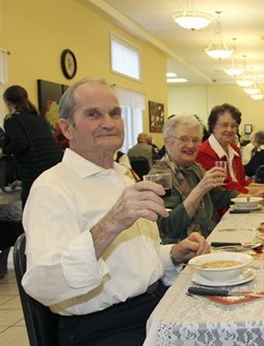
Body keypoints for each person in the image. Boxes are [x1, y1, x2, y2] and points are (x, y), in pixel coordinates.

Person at [21, 78, 209, 345]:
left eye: (115, 113)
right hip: (105, 328)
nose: (109, 122)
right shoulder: (52, 188)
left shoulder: (122, 176)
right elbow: (43, 283)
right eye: (93, 114)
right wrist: (112, 222)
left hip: (153, 306)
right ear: (67, 128)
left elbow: (132, 259)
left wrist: (174, 253)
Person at [150, 115, 239, 243]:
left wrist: (254, 198)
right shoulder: (160, 177)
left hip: (212, 239)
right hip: (186, 253)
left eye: (196, 140)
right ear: (168, 142)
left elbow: (218, 196)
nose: (191, 145)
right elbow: (168, 227)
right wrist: (200, 189)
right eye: (183, 139)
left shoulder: (195, 168)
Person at [2, 85, 63, 205]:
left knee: (31, 212)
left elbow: (20, 144)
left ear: (8, 102)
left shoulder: (12, 119)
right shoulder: (38, 117)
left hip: (34, 172)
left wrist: (5, 150)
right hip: (54, 168)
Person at [196, 103, 258, 195]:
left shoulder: (235, 150)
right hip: (222, 207)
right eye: (224, 125)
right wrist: (261, 192)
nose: (229, 130)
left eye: (233, 126)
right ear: (213, 127)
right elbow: (225, 188)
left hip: (239, 202)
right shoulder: (204, 152)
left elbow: (242, 183)